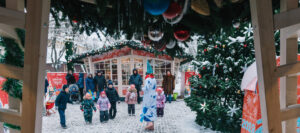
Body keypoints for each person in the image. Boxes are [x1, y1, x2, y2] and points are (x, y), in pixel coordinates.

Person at [140, 61, 157, 131]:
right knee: (152, 108)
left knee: (147, 108)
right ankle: (152, 126)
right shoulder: (154, 79)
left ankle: (149, 123)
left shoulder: (148, 79)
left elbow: (146, 88)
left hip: (148, 96)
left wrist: (141, 88)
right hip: (153, 95)